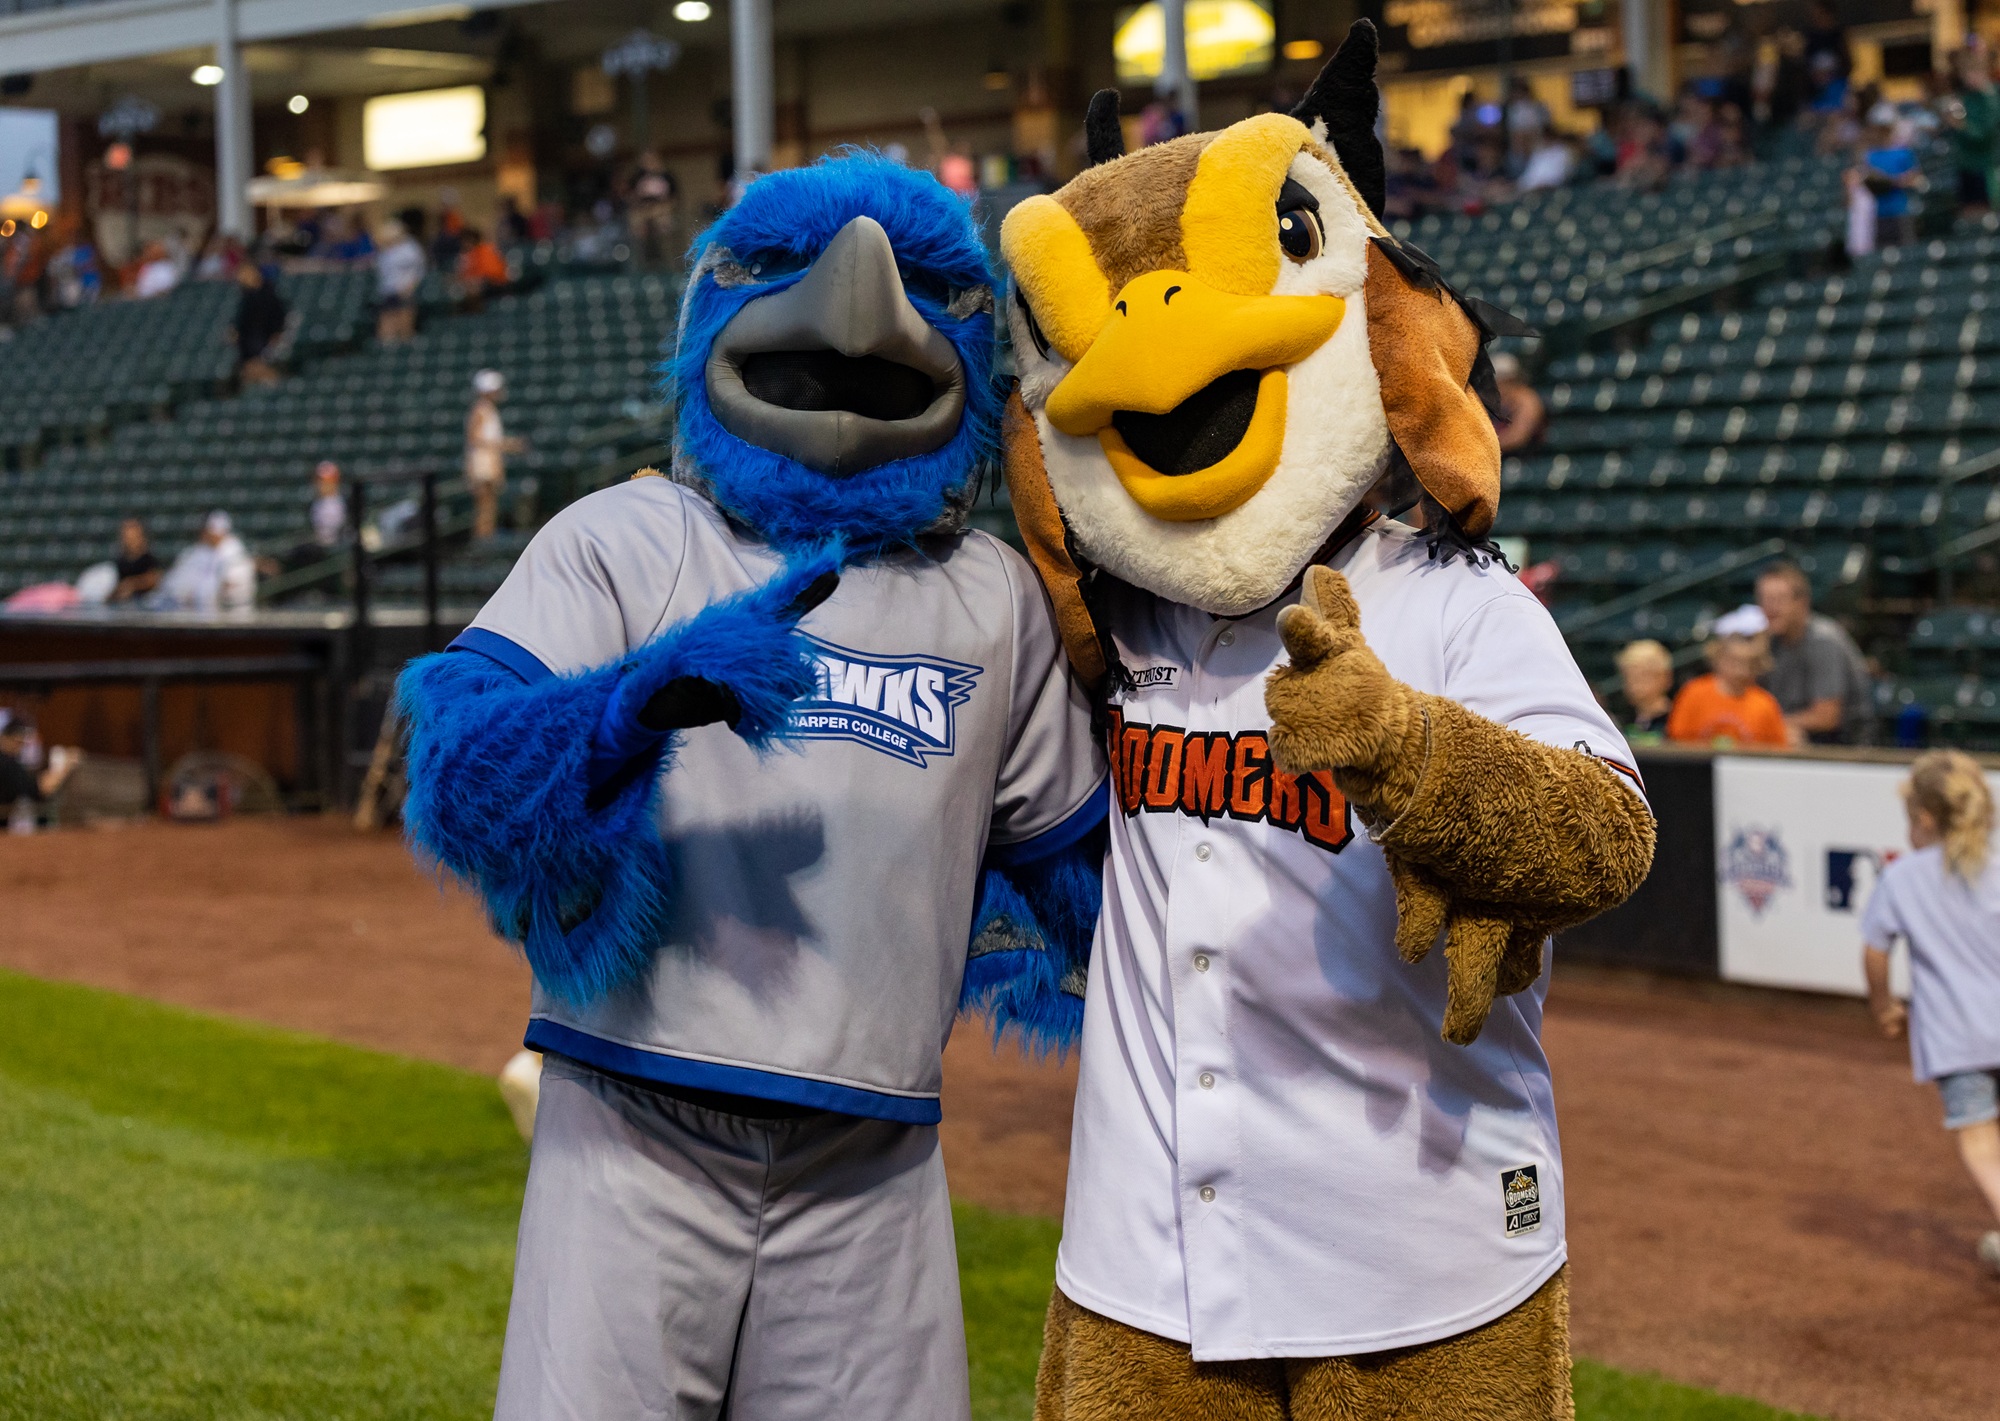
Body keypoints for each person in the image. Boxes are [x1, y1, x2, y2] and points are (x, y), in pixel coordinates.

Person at [397, 155, 1103, 1421]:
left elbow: (1086, 872)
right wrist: (629, 704)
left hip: (874, 1159)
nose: (853, 305)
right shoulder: (627, 538)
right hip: (627, 1131)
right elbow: (456, 773)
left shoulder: (990, 595)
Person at [1860, 750, 2000, 1280]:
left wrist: (1884, 1006)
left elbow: (1875, 950)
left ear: (1922, 820)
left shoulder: (1904, 877)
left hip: (1957, 1037)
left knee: (1980, 1138)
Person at [1755, 560, 1873, 744]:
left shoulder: (1823, 640)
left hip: (1844, 748)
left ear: (1802, 603)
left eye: (1779, 600)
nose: (1771, 609)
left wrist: (1767, 724)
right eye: (1765, 600)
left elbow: (1826, 717)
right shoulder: (1769, 641)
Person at [1667, 607, 1790, 747]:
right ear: (1718, 658)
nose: (1740, 671)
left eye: (1747, 663)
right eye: (1733, 661)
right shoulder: (1693, 694)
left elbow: (1777, 750)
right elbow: (1676, 741)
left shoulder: (1765, 705)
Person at [465, 370, 525, 540]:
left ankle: (486, 538)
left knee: (489, 506)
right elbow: (475, 438)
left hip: (488, 462)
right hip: (482, 464)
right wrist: (506, 444)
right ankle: (482, 541)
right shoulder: (480, 410)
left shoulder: (487, 410)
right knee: (484, 506)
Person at [157, 512, 257, 613]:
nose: (206, 534)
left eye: (210, 530)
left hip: (233, 615)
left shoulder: (235, 550)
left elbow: (231, 587)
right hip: (201, 611)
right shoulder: (201, 551)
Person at [0, 711, 81, 828]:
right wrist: (65, 765)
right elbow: (43, 788)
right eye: (19, 742)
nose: (21, 746)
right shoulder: (7, 764)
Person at [1945, 45, 1998, 216]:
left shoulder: (1991, 98)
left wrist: (1962, 126)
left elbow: (1985, 134)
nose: (1968, 78)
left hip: (1987, 164)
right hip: (1966, 163)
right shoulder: (1965, 97)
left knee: (1987, 212)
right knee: (1968, 212)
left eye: (1970, 73)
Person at [231, 262, 287, 387]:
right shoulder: (246, 297)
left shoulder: (268, 292)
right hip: (250, 342)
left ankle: (277, 387)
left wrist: (276, 333)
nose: (241, 277)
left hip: (264, 340)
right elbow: (243, 321)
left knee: (259, 367)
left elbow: (278, 314)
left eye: (246, 273)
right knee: (250, 369)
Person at [374, 218, 425, 344]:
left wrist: (410, 286)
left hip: (405, 289)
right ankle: (388, 348)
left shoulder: (410, 248)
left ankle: (406, 345)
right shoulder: (385, 251)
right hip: (389, 291)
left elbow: (418, 270)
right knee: (387, 320)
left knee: (405, 320)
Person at [1614, 638, 1676, 740]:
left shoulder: (1677, 719)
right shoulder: (1621, 722)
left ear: (1665, 677)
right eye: (1628, 676)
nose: (1633, 683)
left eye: (1642, 675)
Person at [1492, 352, 1548, 451]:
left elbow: (1518, 437)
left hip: (1527, 459)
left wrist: (1482, 446)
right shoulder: (1496, 401)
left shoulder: (1527, 399)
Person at [456, 227, 509, 312]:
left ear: (473, 240)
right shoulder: (468, 256)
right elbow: (464, 276)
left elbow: (492, 274)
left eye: (467, 240)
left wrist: (473, 281)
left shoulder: (485, 250)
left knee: (472, 290)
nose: (464, 244)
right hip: (483, 288)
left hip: (496, 287)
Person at [111, 518, 163, 602]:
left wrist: (133, 584)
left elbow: (155, 579)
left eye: (133, 536)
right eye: (126, 536)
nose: (129, 541)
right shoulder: (120, 562)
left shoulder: (148, 560)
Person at [309, 462, 347, 548]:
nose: (322, 485)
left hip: (334, 547)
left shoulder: (338, 503)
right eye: (320, 481)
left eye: (327, 481)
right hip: (319, 545)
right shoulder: (317, 502)